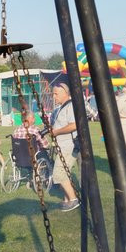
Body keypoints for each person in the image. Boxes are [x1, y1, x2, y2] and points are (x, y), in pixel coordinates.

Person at [49, 82, 80, 210]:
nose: (54, 97)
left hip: (69, 145)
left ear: (65, 93)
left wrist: (56, 132)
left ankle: (73, 199)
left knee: (59, 173)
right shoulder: (61, 108)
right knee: (63, 174)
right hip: (62, 145)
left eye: (56, 94)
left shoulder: (71, 106)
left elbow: (74, 125)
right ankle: (67, 199)